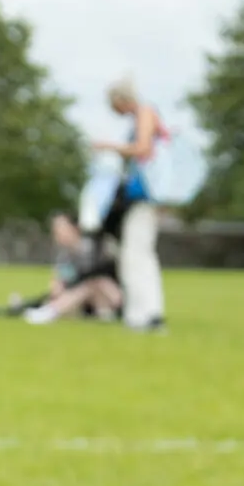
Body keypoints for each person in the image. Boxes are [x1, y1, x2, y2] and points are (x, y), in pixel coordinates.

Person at [94, 76, 165, 333]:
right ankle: (144, 313)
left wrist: (108, 146)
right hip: (145, 197)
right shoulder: (144, 115)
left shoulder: (145, 113)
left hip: (144, 197)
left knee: (136, 255)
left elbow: (143, 148)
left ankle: (145, 314)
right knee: (138, 254)